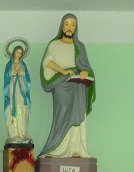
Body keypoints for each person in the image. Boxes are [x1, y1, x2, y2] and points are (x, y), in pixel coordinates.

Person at [39, 13, 95, 158]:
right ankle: (56, 148)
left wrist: (85, 72)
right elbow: (47, 62)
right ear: (62, 26)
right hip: (61, 83)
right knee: (62, 111)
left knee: (78, 112)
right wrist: (63, 71)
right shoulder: (54, 44)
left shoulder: (80, 47)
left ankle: (76, 149)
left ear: (76, 27)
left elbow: (86, 66)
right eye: (67, 24)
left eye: (73, 24)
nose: (69, 27)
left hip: (78, 85)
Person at [3, 40, 31, 141]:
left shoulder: (23, 65)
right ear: (14, 52)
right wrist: (13, 73)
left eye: (20, 53)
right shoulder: (9, 65)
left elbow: (28, 79)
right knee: (12, 107)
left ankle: (23, 133)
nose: (19, 54)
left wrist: (21, 74)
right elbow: (6, 77)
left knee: (23, 109)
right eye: (17, 52)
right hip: (12, 89)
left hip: (22, 89)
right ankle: (14, 134)